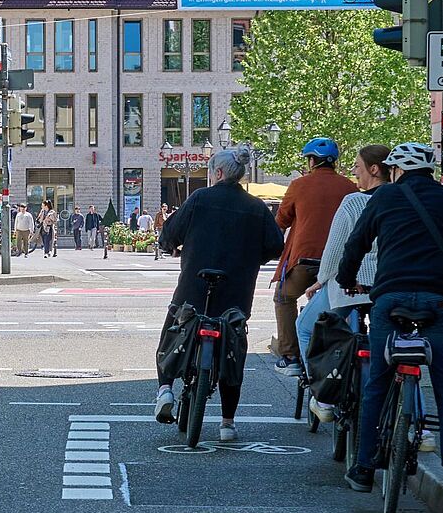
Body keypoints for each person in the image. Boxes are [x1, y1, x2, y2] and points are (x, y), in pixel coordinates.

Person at [336, 142, 443, 496]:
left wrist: (346, 280)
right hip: (438, 300)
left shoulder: (384, 198)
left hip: (391, 299)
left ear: (396, 171)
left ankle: (362, 467)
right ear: (429, 170)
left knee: (377, 380)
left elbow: (356, 244)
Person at [154, 147, 284, 441]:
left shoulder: (200, 198)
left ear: (219, 173)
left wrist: (171, 246)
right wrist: (253, 257)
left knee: (174, 326)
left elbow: (171, 232)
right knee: (234, 345)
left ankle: (165, 390)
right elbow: (276, 245)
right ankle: (227, 422)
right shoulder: (256, 207)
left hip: (194, 285)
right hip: (236, 289)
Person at [296, 144, 390, 366]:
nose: (355, 172)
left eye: (358, 166)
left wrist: (320, 280)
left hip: (351, 285)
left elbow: (335, 249)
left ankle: (322, 394)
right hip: (387, 284)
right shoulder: (400, 201)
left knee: (306, 328)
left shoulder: (354, 202)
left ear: (374, 169)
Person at [271, 137, 357, 376]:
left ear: (311, 161)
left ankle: (290, 357)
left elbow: (281, 221)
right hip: (339, 264)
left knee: (284, 298)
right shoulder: (350, 186)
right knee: (348, 303)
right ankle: (346, 348)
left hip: (304, 261)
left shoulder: (299, 185)